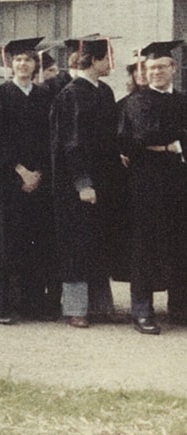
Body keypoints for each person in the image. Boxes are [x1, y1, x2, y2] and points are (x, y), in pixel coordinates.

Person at [0, 37, 55, 324]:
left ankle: (32, 305)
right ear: (10, 64)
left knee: (34, 242)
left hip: (38, 182)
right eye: (18, 59)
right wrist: (20, 170)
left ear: (36, 65)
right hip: (6, 181)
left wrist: (40, 173)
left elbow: (51, 139)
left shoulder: (44, 96)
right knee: (4, 244)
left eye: (29, 59)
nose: (23, 64)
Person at [117, 40, 187, 333]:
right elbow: (143, 135)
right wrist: (173, 142)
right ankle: (142, 312)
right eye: (151, 67)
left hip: (180, 184)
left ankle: (181, 308)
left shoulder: (183, 100)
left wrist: (171, 144)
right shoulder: (137, 101)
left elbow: (158, 137)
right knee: (144, 246)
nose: (156, 71)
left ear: (173, 67)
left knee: (181, 244)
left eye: (161, 66)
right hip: (147, 185)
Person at [49, 37, 118, 329]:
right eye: (109, 57)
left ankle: (101, 305)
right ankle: (77, 308)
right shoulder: (72, 94)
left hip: (103, 180)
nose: (112, 63)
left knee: (98, 241)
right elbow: (71, 143)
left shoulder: (104, 91)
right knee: (77, 245)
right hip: (78, 184)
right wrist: (82, 182)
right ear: (94, 59)